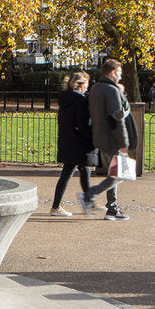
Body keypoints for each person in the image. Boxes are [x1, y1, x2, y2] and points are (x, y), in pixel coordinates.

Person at [89, 58, 136, 221]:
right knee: (119, 174)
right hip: (112, 139)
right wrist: (124, 143)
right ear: (112, 73)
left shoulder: (95, 88)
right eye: (119, 74)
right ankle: (94, 197)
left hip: (100, 137)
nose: (120, 77)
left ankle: (112, 208)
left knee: (115, 173)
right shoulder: (111, 90)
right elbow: (117, 118)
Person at [50, 71, 98, 217]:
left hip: (67, 140)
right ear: (81, 85)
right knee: (77, 171)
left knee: (79, 170)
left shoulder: (65, 99)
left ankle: (86, 203)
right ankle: (87, 203)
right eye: (87, 86)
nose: (87, 89)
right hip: (78, 141)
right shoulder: (81, 101)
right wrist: (91, 137)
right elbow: (83, 123)